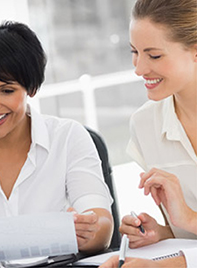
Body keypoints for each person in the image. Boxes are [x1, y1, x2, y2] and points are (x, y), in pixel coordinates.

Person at [0, 21, 114, 266]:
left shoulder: (69, 137)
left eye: (7, 90)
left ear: (32, 88)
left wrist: (87, 230)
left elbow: (102, 226)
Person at [101, 0, 197, 266]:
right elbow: (189, 239)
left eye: (154, 55)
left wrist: (188, 218)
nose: (139, 68)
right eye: (134, 52)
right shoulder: (145, 124)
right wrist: (161, 233)